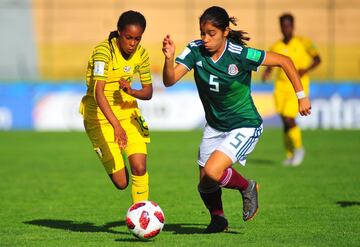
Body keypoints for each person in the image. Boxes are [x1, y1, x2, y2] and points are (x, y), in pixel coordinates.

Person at [162, 6, 311, 233]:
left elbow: (285, 61)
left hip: (244, 123)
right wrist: (169, 58)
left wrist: (301, 97)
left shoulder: (239, 54)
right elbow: (169, 80)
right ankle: (218, 219)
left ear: (225, 31)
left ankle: (247, 186)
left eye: (211, 33)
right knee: (205, 183)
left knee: (213, 171)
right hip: (214, 125)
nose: (205, 39)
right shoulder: (195, 50)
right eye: (202, 33)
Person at [79, 10, 153, 204]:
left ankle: (141, 213)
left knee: (139, 167)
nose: (133, 43)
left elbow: (148, 92)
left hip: (128, 113)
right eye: (129, 38)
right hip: (99, 119)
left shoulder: (142, 54)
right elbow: (98, 92)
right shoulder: (103, 52)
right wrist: (116, 127)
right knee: (121, 182)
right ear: (119, 32)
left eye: (137, 39)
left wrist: (131, 91)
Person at [262, 13, 321, 166]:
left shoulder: (303, 42)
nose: (285, 28)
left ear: (293, 26)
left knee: (289, 118)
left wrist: (305, 70)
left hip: (296, 85)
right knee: (284, 121)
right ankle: (289, 154)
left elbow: (317, 59)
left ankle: (299, 149)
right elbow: (272, 63)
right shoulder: (277, 46)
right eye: (283, 25)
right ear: (280, 27)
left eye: (288, 25)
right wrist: (267, 72)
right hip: (280, 86)